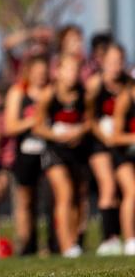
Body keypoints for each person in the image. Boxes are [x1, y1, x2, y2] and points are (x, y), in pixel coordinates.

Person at [36, 55, 89, 257]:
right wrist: (58, 135)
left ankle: (74, 241)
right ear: (57, 72)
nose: (72, 75)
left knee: (77, 196)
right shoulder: (49, 95)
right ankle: (66, 245)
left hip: (76, 151)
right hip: (54, 151)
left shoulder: (83, 95)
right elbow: (38, 126)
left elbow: (89, 121)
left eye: (76, 70)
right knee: (64, 193)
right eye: (68, 70)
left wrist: (79, 132)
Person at [2, 54, 49, 256]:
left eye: (43, 73)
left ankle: (49, 245)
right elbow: (10, 126)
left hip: (48, 153)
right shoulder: (18, 93)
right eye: (36, 73)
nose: (40, 76)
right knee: (24, 201)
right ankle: (25, 246)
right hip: (24, 155)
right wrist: (33, 122)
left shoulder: (50, 92)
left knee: (47, 202)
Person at [86, 41, 126, 255]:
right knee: (108, 187)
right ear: (103, 62)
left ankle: (122, 236)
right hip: (99, 143)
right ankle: (107, 238)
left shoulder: (128, 84)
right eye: (112, 61)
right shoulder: (95, 84)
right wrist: (105, 136)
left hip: (120, 143)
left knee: (126, 190)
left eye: (119, 61)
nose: (116, 66)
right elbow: (89, 117)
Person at [111, 45, 135, 255]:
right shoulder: (126, 99)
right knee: (131, 192)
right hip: (123, 154)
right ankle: (129, 241)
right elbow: (115, 136)